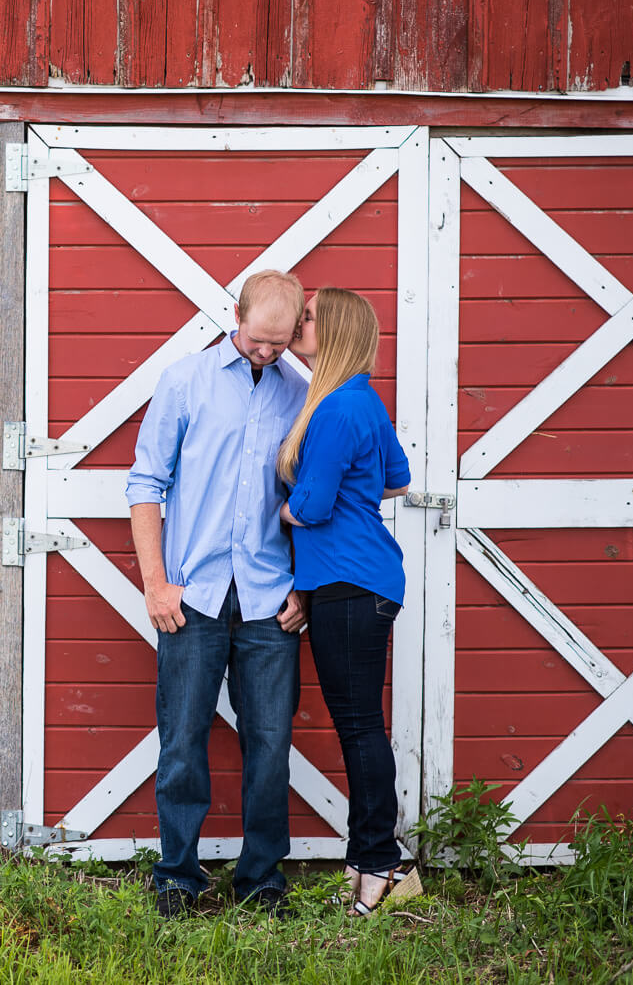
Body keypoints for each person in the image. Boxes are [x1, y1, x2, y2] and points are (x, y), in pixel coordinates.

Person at [126, 269, 310, 918]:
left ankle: (261, 880)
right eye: (258, 339)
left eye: (279, 343)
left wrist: (306, 590)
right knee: (181, 743)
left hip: (269, 602)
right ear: (237, 315)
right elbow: (146, 483)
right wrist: (154, 584)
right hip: (192, 598)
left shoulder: (302, 393)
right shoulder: (186, 381)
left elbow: (316, 502)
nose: (266, 352)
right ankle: (176, 876)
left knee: (269, 748)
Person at [278, 287, 417, 916]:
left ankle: (381, 865)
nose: (297, 323)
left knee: (359, 726)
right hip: (364, 580)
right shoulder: (362, 399)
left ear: (333, 331)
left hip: (350, 584)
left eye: (307, 317)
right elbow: (397, 477)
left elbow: (310, 506)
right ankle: (374, 863)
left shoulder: (335, 408)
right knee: (362, 724)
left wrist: (283, 509)